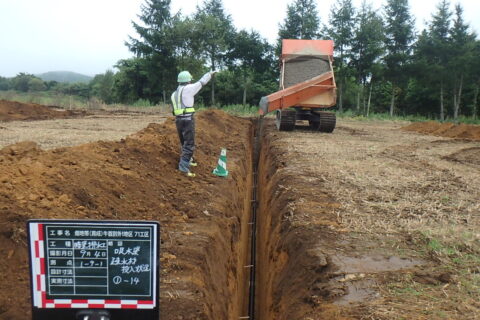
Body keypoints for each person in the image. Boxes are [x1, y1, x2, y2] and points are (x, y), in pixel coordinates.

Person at [171, 70, 216, 177]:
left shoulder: (174, 93)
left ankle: (189, 160)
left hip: (178, 120)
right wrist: (209, 74)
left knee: (184, 142)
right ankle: (183, 168)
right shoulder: (189, 89)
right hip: (187, 120)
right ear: (188, 81)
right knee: (189, 144)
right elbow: (201, 82)